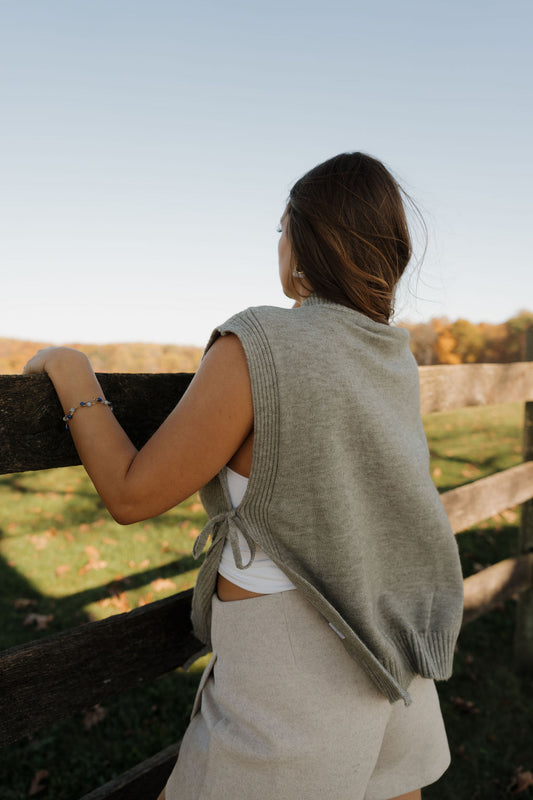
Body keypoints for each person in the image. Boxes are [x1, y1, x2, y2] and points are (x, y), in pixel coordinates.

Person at [24, 152, 464, 800]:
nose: (279, 245)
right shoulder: (390, 354)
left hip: (292, 676)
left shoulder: (262, 339)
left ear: (303, 240)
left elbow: (130, 492)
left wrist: (69, 367)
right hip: (392, 639)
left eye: (281, 229)